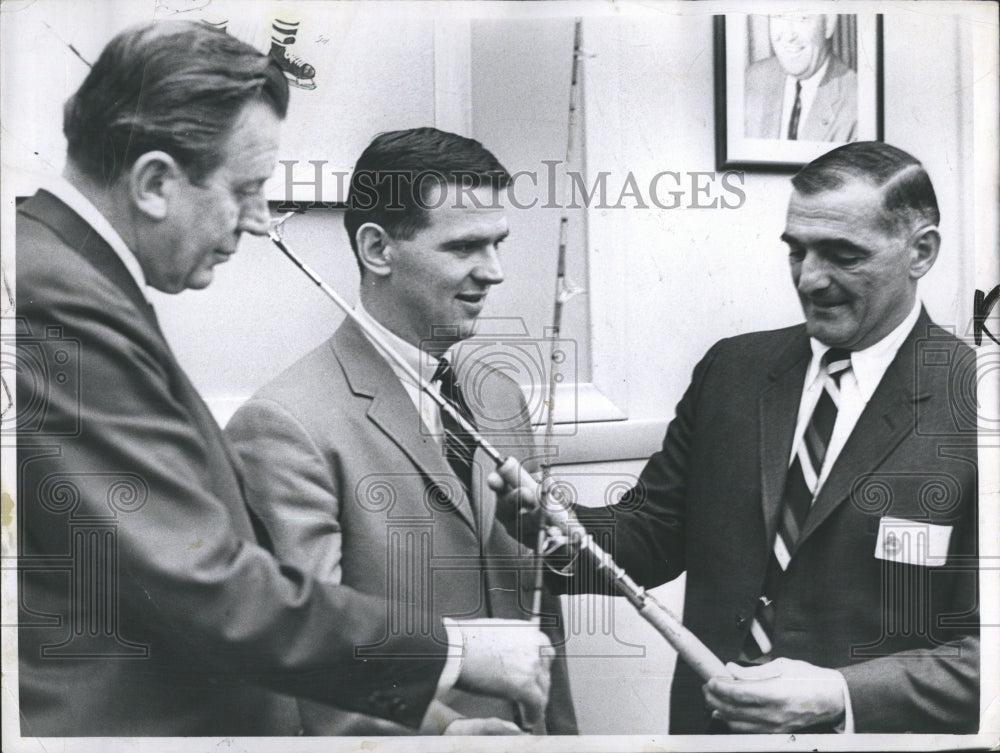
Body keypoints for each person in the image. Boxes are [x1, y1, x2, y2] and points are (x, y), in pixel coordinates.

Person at [15, 22, 553, 737]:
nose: (262, 222)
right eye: (248, 189)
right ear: (152, 183)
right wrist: (455, 649)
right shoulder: (58, 298)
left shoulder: (66, 278)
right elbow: (203, 583)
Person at [492, 141, 979, 733]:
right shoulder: (733, 372)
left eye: (842, 255)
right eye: (796, 251)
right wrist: (558, 527)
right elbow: (651, 536)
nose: (810, 279)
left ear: (921, 251)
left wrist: (841, 694)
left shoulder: (979, 407)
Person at [226, 127, 578, 735]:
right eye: (465, 247)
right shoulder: (285, 426)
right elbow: (312, 653)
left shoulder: (500, 394)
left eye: (498, 244)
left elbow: (538, 614)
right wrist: (443, 733)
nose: (493, 272)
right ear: (377, 250)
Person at [745, 14, 857, 142]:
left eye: (802, 17)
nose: (789, 36)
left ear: (828, 25)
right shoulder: (752, 79)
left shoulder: (859, 103)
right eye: (778, 15)